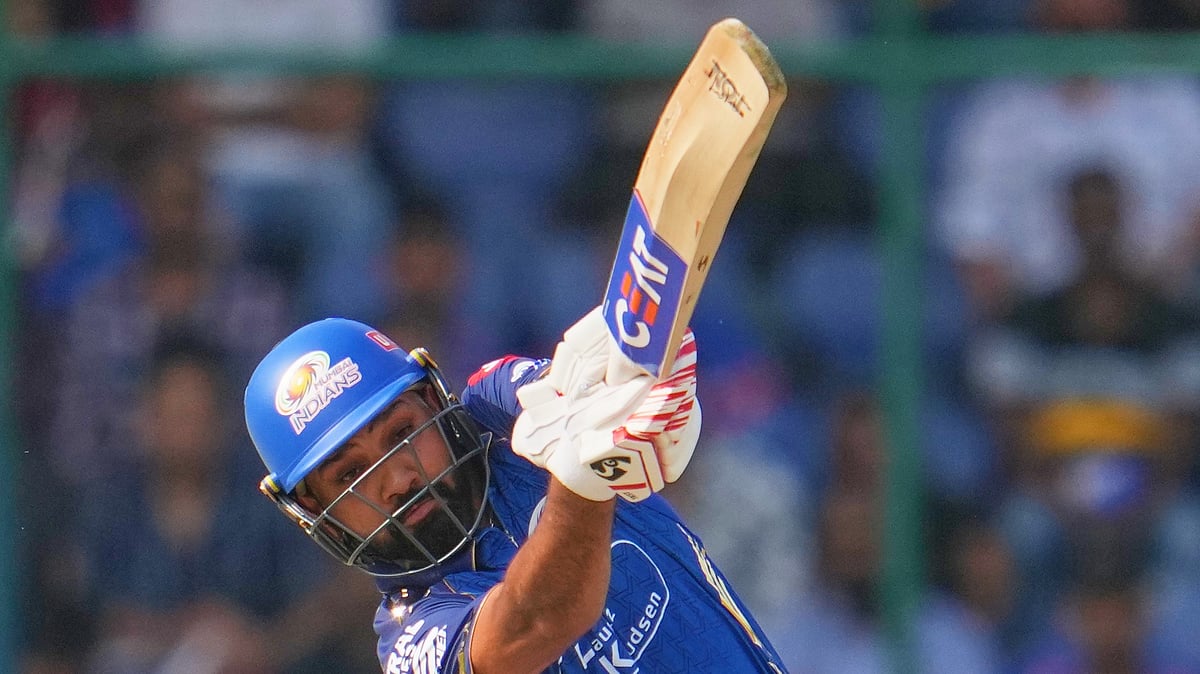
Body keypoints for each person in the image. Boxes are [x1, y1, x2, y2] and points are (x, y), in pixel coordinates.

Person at [243, 307, 787, 673]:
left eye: (403, 434)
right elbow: (541, 619)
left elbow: (571, 393)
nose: (398, 480)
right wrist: (586, 476)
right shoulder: (413, 644)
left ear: (435, 404)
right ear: (314, 511)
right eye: (349, 475)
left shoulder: (492, 410)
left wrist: (636, 382)